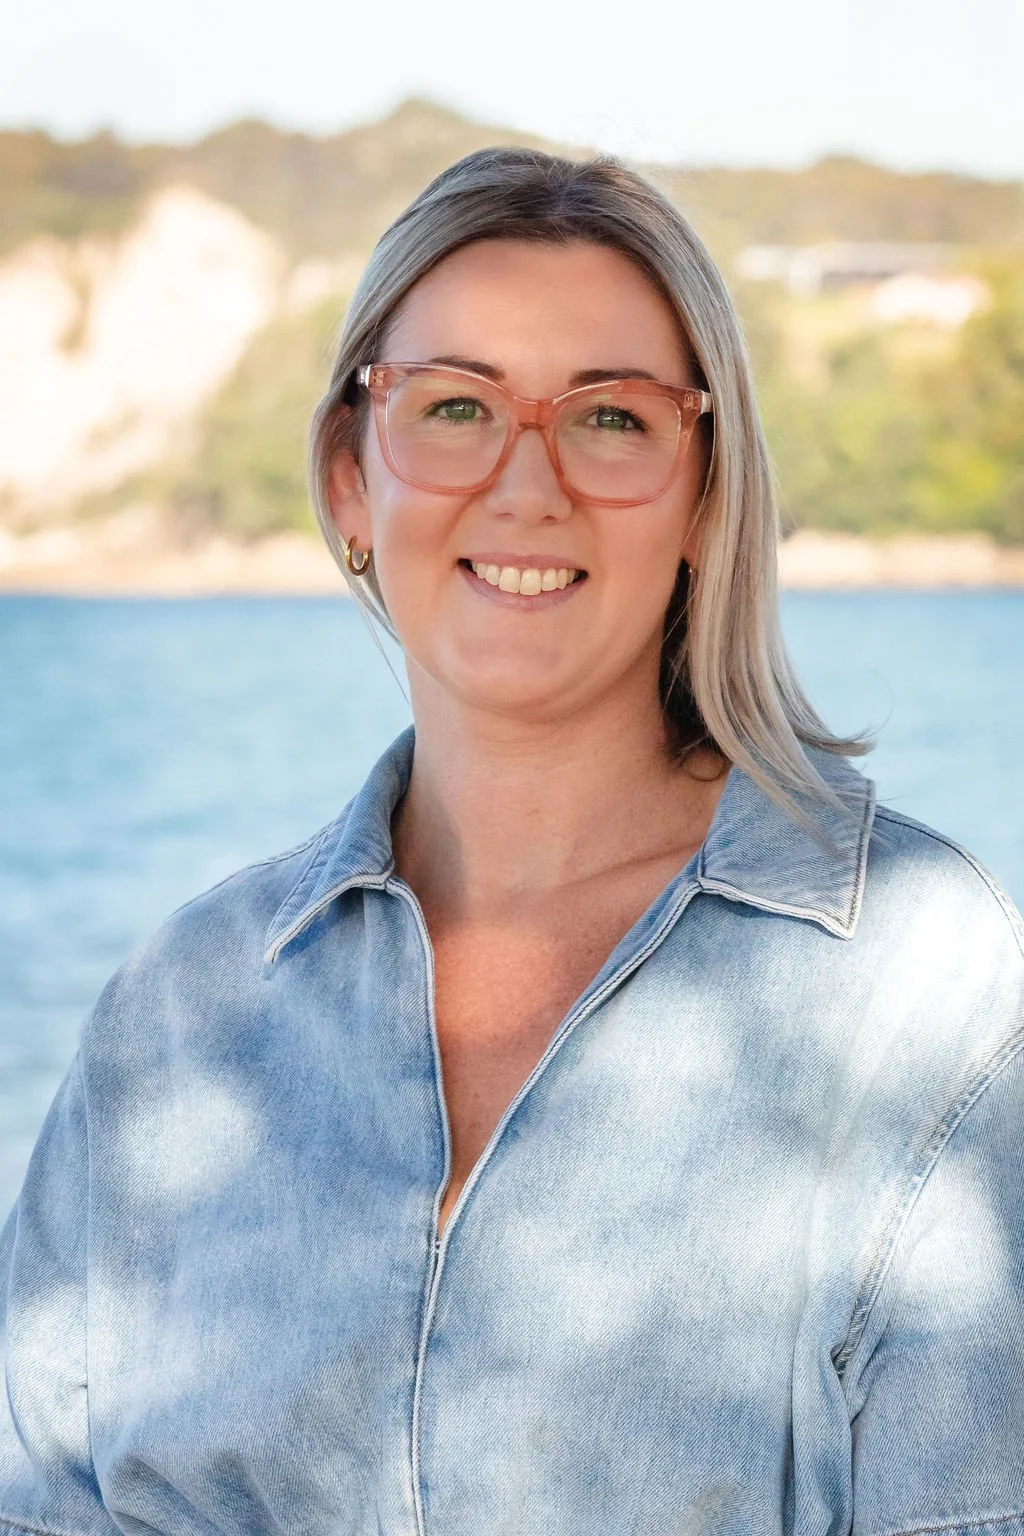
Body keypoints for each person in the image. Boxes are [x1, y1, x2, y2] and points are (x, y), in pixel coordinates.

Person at [2, 148, 1022, 1536]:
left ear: (705, 495)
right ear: (351, 480)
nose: (525, 484)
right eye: (456, 406)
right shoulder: (184, 1010)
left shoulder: (927, 988)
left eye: (609, 418)